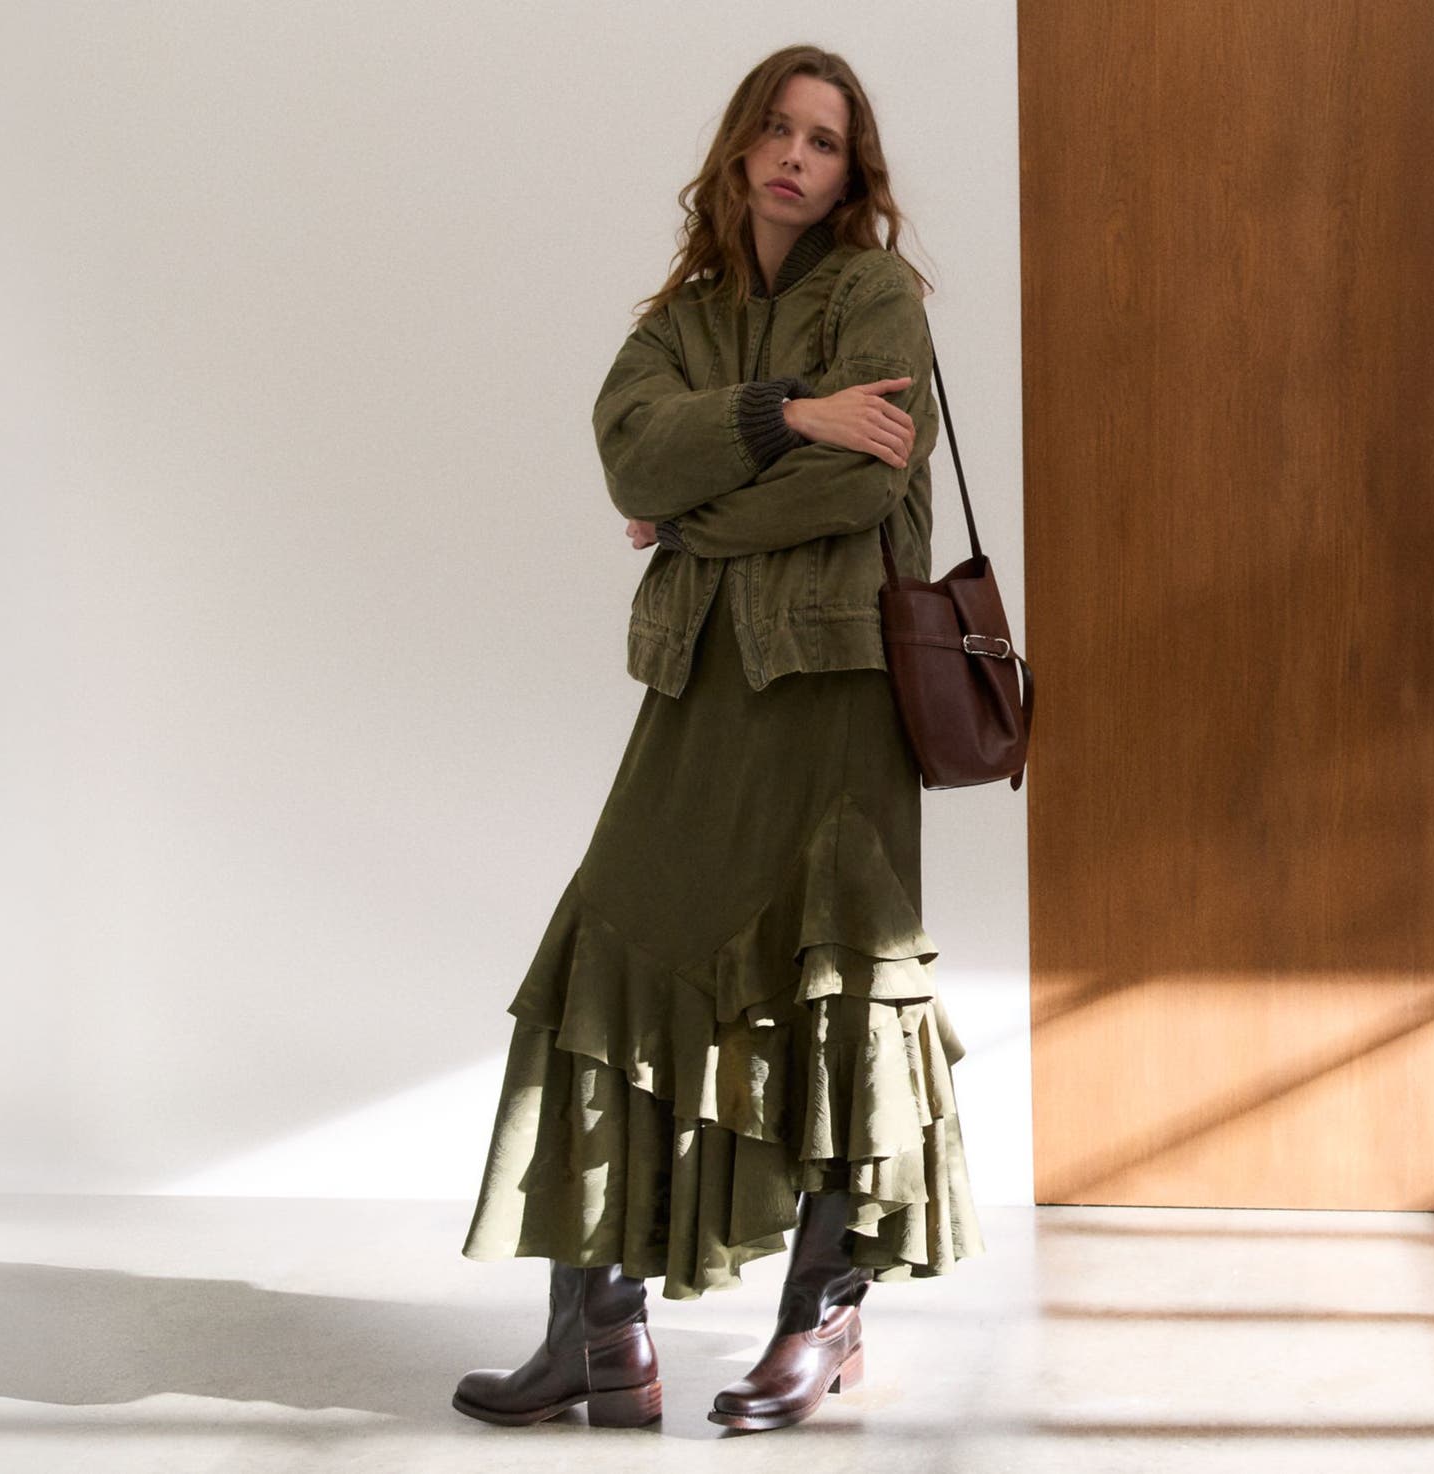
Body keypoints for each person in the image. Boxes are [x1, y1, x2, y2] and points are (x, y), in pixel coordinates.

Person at [452, 42, 984, 1434]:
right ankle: (596, 1334)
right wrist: (786, 413)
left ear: (850, 173)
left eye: (827, 140)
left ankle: (821, 1315)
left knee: (835, 981)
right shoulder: (681, 319)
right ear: (743, 146)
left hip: (838, 692)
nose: (798, 155)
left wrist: (693, 517)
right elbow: (631, 452)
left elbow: (856, 488)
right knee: (611, 949)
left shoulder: (875, 296)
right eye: (780, 130)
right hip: (702, 682)